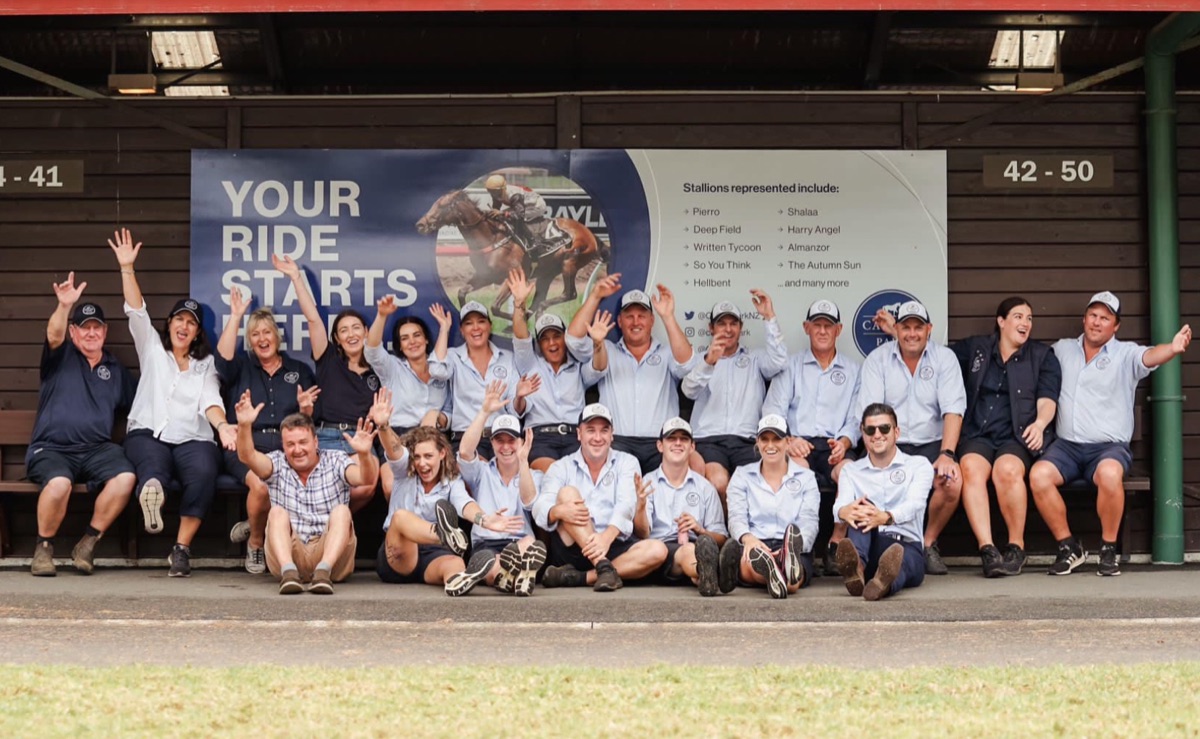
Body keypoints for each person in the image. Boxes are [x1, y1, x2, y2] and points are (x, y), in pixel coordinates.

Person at [1029, 291, 1191, 577]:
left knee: (1109, 474)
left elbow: (1150, 356)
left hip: (1108, 448)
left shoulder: (1125, 354)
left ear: (1115, 326)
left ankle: (1107, 548)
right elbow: (1036, 366)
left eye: (1105, 318)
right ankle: (1069, 547)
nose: (1097, 322)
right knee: (1038, 476)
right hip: (1067, 447)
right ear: (1084, 319)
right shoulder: (1062, 349)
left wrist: (1173, 348)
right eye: (1093, 315)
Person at [110, 228, 226, 578]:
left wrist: (222, 427)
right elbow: (136, 311)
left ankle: (181, 548)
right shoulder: (151, 348)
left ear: (197, 333)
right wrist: (126, 268)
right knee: (153, 464)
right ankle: (152, 493)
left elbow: (211, 399)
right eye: (179, 319)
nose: (184, 326)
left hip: (194, 437)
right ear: (169, 324)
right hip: (149, 431)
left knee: (203, 471)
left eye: (191, 323)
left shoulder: (206, 365)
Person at [26, 273, 137, 577]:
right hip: (51, 449)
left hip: (96, 450)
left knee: (126, 477)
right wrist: (64, 306)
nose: (91, 333)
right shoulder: (59, 356)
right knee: (60, 483)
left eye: (96, 327)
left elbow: (141, 406)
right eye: (84, 327)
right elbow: (53, 334)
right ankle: (43, 548)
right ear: (73, 332)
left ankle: (88, 543)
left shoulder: (115, 369)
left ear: (105, 331)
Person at [375, 390, 527, 596]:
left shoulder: (451, 480)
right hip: (400, 554)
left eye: (428, 456)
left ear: (442, 453)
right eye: (417, 457)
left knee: (456, 563)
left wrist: (484, 520)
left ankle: (458, 581)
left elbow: (464, 504)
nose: (422, 463)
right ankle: (443, 534)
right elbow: (394, 450)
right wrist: (384, 426)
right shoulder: (404, 471)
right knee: (400, 517)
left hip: (434, 554)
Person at [951, 296, 1061, 578]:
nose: (1025, 323)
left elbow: (1048, 398)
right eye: (1018, 317)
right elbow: (936, 356)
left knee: (1007, 470)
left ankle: (1015, 547)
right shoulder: (976, 348)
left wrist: (1040, 424)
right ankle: (987, 549)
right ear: (1001, 321)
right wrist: (895, 332)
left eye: (1029, 318)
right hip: (978, 432)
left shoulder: (1042, 356)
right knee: (970, 468)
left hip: (1017, 435)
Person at [233, 390, 379, 595]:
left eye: (303, 442)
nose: (297, 449)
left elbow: (365, 479)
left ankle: (323, 572)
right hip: (289, 554)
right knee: (276, 513)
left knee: (342, 512)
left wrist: (364, 454)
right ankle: (289, 574)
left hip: (331, 557)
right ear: (283, 446)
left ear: (316, 442)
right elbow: (247, 456)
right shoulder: (277, 462)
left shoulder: (335, 459)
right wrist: (244, 425)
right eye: (290, 444)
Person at [216, 286, 318, 575]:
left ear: (277, 336)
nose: (262, 339)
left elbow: (309, 421)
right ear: (249, 341)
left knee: (305, 482)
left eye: (267, 332)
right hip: (247, 446)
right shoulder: (241, 368)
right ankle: (256, 542)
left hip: (287, 448)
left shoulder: (299, 370)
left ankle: (255, 522)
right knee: (261, 485)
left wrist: (305, 409)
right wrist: (236, 316)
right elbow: (222, 360)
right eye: (255, 334)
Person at [860, 299, 966, 575]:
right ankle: (879, 548)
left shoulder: (944, 359)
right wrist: (883, 452)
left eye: (918, 327)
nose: (912, 333)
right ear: (896, 329)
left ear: (929, 329)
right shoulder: (878, 359)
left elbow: (953, 410)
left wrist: (947, 454)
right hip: (889, 442)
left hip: (932, 444)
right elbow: (872, 414)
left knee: (952, 482)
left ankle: (926, 544)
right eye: (905, 327)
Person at [762, 299, 861, 574]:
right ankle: (800, 547)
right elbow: (772, 410)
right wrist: (789, 439)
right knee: (796, 474)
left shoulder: (854, 370)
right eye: (817, 325)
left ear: (839, 330)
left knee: (850, 474)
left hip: (835, 446)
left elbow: (857, 418)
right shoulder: (790, 366)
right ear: (807, 328)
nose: (822, 331)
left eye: (828, 325)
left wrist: (844, 442)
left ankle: (835, 544)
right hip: (798, 445)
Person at [273, 253, 379, 511]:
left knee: (366, 485)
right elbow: (312, 318)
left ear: (367, 332)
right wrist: (296, 277)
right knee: (311, 482)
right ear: (337, 339)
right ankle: (326, 525)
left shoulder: (379, 369)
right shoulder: (328, 358)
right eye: (343, 330)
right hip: (326, 435)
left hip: (358, 438)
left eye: (356, 328)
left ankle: (331, 522)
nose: (351, 334)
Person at [533, 403, 669, 591]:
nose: (597, 438)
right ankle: (603, 566)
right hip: (573, 547)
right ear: (579, 434)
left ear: (612, 435)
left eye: (604, 430)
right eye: (591, 430)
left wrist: (606, 537)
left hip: (613, 544)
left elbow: (626, 505)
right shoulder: (561, 466)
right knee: (567, 493)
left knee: (658, 550)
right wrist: (557, 511)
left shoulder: (627, 462)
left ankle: (582, 577)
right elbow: (539, 507)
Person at [577, 284, 698, 474]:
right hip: (618, 442)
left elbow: (687, 364)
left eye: (641, 316)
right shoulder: (607, 350)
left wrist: (668, 317)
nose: (635, 322)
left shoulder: (667, 352)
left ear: (652, 320)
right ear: (619, 321)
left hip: (659, 444)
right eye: (629, 316)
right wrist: (598, 344)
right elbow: (591, 370)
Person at [505, 266, 616, 471]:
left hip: (576, 438)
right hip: (541, 438)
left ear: (565, 339)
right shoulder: (530, 365)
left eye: (556, 336)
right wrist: (519, 304)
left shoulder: (577, 367)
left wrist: (598, 343)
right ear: (539, 344)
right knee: (556, 475)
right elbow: (521, 337)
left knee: (582, 476)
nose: (552, 343)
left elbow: (599, 368)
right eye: (545, 339)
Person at [681, 292, 787, 502]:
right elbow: (688, 391)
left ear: (741, 327)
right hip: (709, 441)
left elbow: (779, 361)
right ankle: (724, 525)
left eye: (733, 323)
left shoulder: (755, 358)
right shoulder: (701, 360)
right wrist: (709, 362)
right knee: (719, 483)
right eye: (722, 324)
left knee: (756, 486)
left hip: (747, 441)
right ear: (711, 328)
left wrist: (769, 317)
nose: (728, 329)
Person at [832, 403, 934, 601]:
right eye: (870, 430)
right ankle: (856, 569)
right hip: (869, 548)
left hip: (906, 545)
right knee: (860, 506)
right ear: (863, 434)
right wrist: (843, 511)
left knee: (899, 560)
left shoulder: (919, 465)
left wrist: (887, 517)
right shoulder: (850, 471)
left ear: (896, 432)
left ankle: (882, 584)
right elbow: (840, 504)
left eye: (884, 428)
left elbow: (915, 504)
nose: (877, 435)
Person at [457, 380, 548, 596]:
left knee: (529, 543)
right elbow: (465, 452)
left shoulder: (534, 475)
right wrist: (484, 412)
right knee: (492, 564)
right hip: (486, 543)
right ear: (492, 443)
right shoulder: (481, 472)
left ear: (521, 442)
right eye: (500, 440)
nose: (506, 447)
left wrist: (523, 461)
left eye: (511, 440)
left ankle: (512, 575)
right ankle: (516, 577)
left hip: (519, 541)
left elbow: (529, 501)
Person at [723, 414, 819, 599]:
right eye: (765, 439)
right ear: (757, 442)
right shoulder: (742, 475)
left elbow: (809, 521)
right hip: (756, 542)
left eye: (777, 439)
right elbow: (736, 516)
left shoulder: (806, 477)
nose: (770, 445)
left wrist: (795, 547)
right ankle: (772, 568)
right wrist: (748, 539)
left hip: (792, 546)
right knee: (750, 561)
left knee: (792, 583)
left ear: (788, 442)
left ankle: (783, 563)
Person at [365, 296, 453, 496]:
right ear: (400, 345)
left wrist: (436, 415)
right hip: (397, 435)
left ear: (426, 339)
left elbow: (449, 413)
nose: (412, 341)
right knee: (392, 487)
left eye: (417, 335)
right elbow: (372, 351)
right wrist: (382, 315)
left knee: (434, 489)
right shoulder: (393, 368)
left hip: (432, 437)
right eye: (405, 338)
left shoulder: (442, 370)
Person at [633, 418, 730, 597]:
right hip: (660, 553)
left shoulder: (705, 487)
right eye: (671, 438)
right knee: (688, 551)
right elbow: (642, 534)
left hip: (696, 546)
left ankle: (704, 577)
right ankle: (714, 572)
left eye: (684, 439)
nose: (678, 443)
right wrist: (640, 507)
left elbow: (721, 537)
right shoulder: (648, 482)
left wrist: (700, 530)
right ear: (660, 446)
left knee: (694, 549)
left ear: (692, 447)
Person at [430, 300, 526, 460]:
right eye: (468, 323)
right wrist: (444, 329)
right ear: (461, 330)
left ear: (490, 326)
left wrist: (520, 397)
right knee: (480, 471)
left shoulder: (507, 358)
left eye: (481, 321)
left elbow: (514, 410)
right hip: (465, 438)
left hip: (501, 438)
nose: (476, 328)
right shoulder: (453, 356)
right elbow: (437, 371)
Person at [483, 173, 569, 258]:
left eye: (494, 192)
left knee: (518, 220)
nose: (493, 194)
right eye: (490, 191)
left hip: (536, 206)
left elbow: (519, 215)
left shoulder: (514, 195)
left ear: (502, 189)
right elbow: (496, 208)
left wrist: (502, 213)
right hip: (523, 205)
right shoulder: (497, 192)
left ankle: (533, 242)